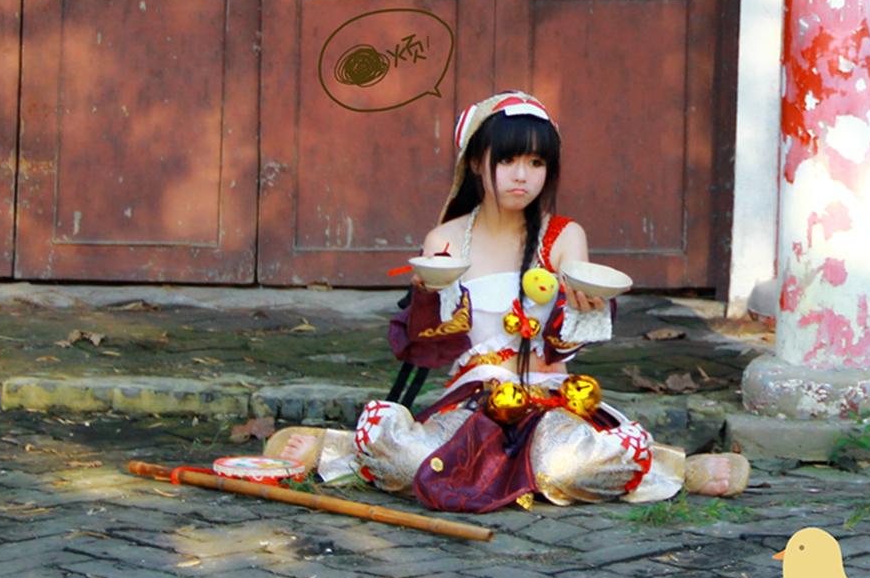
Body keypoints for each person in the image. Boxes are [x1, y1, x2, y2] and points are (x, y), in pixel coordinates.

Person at [272, 90, 746, 509]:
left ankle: (672, 465)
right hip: (470, 403)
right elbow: (428, 349)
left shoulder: (563, 236)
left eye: (537, 164)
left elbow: (567, 345)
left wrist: (584, 309)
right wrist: (427, 300)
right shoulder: (446, 239)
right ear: (476, 163)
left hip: (551, 402)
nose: (522, 177)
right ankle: (336, 448)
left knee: (565, 469)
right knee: (411, 459)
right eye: (508, 161)